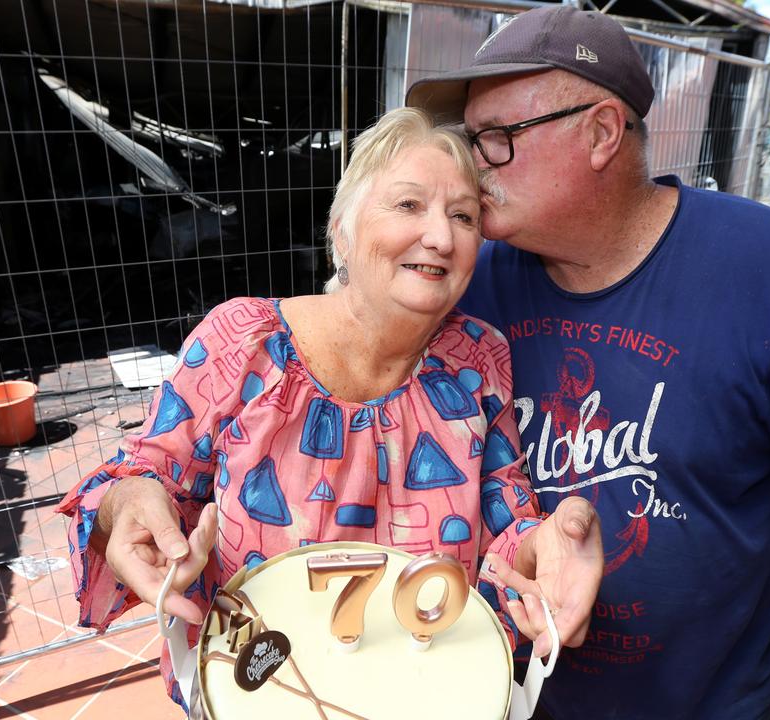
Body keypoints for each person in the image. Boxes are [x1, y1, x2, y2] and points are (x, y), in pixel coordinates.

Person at [407, 7, 770, 720]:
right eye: (471, 140)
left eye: (498, 139)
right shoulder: (471, 281)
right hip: (503, 689)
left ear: (600, 133)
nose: (476, 164)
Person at [58, 107, 604, 710]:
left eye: (463, 216)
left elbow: (508, 526)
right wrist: (127, 503)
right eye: (407, 206)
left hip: (414, 695)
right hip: (264, 691)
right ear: (341, 230)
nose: (441, 237)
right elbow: (144, 478)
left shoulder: (478, 359)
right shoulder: (243, 342)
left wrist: (544, 548)